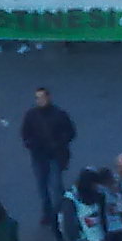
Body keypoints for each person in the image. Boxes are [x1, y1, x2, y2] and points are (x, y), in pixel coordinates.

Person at [20, 86, 77, 226]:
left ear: (48, 97)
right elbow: (25, 132)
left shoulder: (59, 114)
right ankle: (48, 213)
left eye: (42, 97)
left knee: (56, 185)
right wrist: (30, 143)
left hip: (54, 156)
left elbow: (70, 132)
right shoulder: (31, 115)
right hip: (39, 156)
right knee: (42, 186)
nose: (39, 100)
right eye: (37, 98)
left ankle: (59, 211)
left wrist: (59, 143)